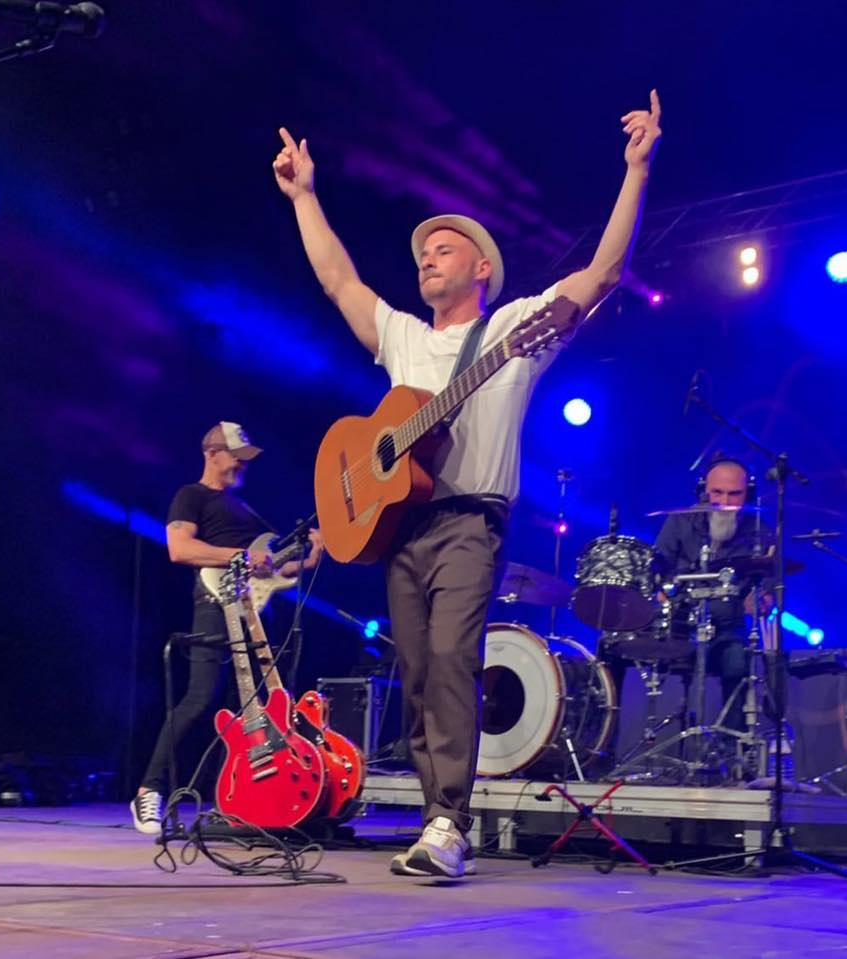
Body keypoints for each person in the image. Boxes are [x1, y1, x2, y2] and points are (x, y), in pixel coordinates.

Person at [273, 91, 662, 877]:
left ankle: (451, 822)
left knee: (453, 656)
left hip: (468, 525)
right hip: (398, 525)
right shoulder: (404, 337)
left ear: (481, 268)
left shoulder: (516, 327)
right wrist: (305, 196)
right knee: (418, 672)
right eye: (423, 250)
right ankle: (435, 817)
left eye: (443, 248)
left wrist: (637, 170)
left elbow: (603, 271)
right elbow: (339, 281)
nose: (426, 257)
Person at [130, 421, 322, 835]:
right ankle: (149, 790)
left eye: (246, 459)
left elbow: (273, 570)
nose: (243, 465)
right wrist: (241, 556)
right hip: (217, 604)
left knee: (247, 711)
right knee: (200, 698)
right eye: (237, 457)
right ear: (212, 454)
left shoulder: (245, 510)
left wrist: (309, 558)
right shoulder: (191, 496)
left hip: (256, 611)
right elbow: (180, 548)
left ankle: (233, 803)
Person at [652, 457, 772, 735]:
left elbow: (769, 589)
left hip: (728, 631)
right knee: (612, 648)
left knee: (739, 662)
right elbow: (656, 571)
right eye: (717, 493)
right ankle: (603, 748)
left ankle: (731, 747)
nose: (724, 502)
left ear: (748, 494)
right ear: (703, 491)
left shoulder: (760, 532)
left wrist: (762, 600)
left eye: (734, 494)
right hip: (680, 629)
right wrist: (661, 593)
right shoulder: (680, 522)